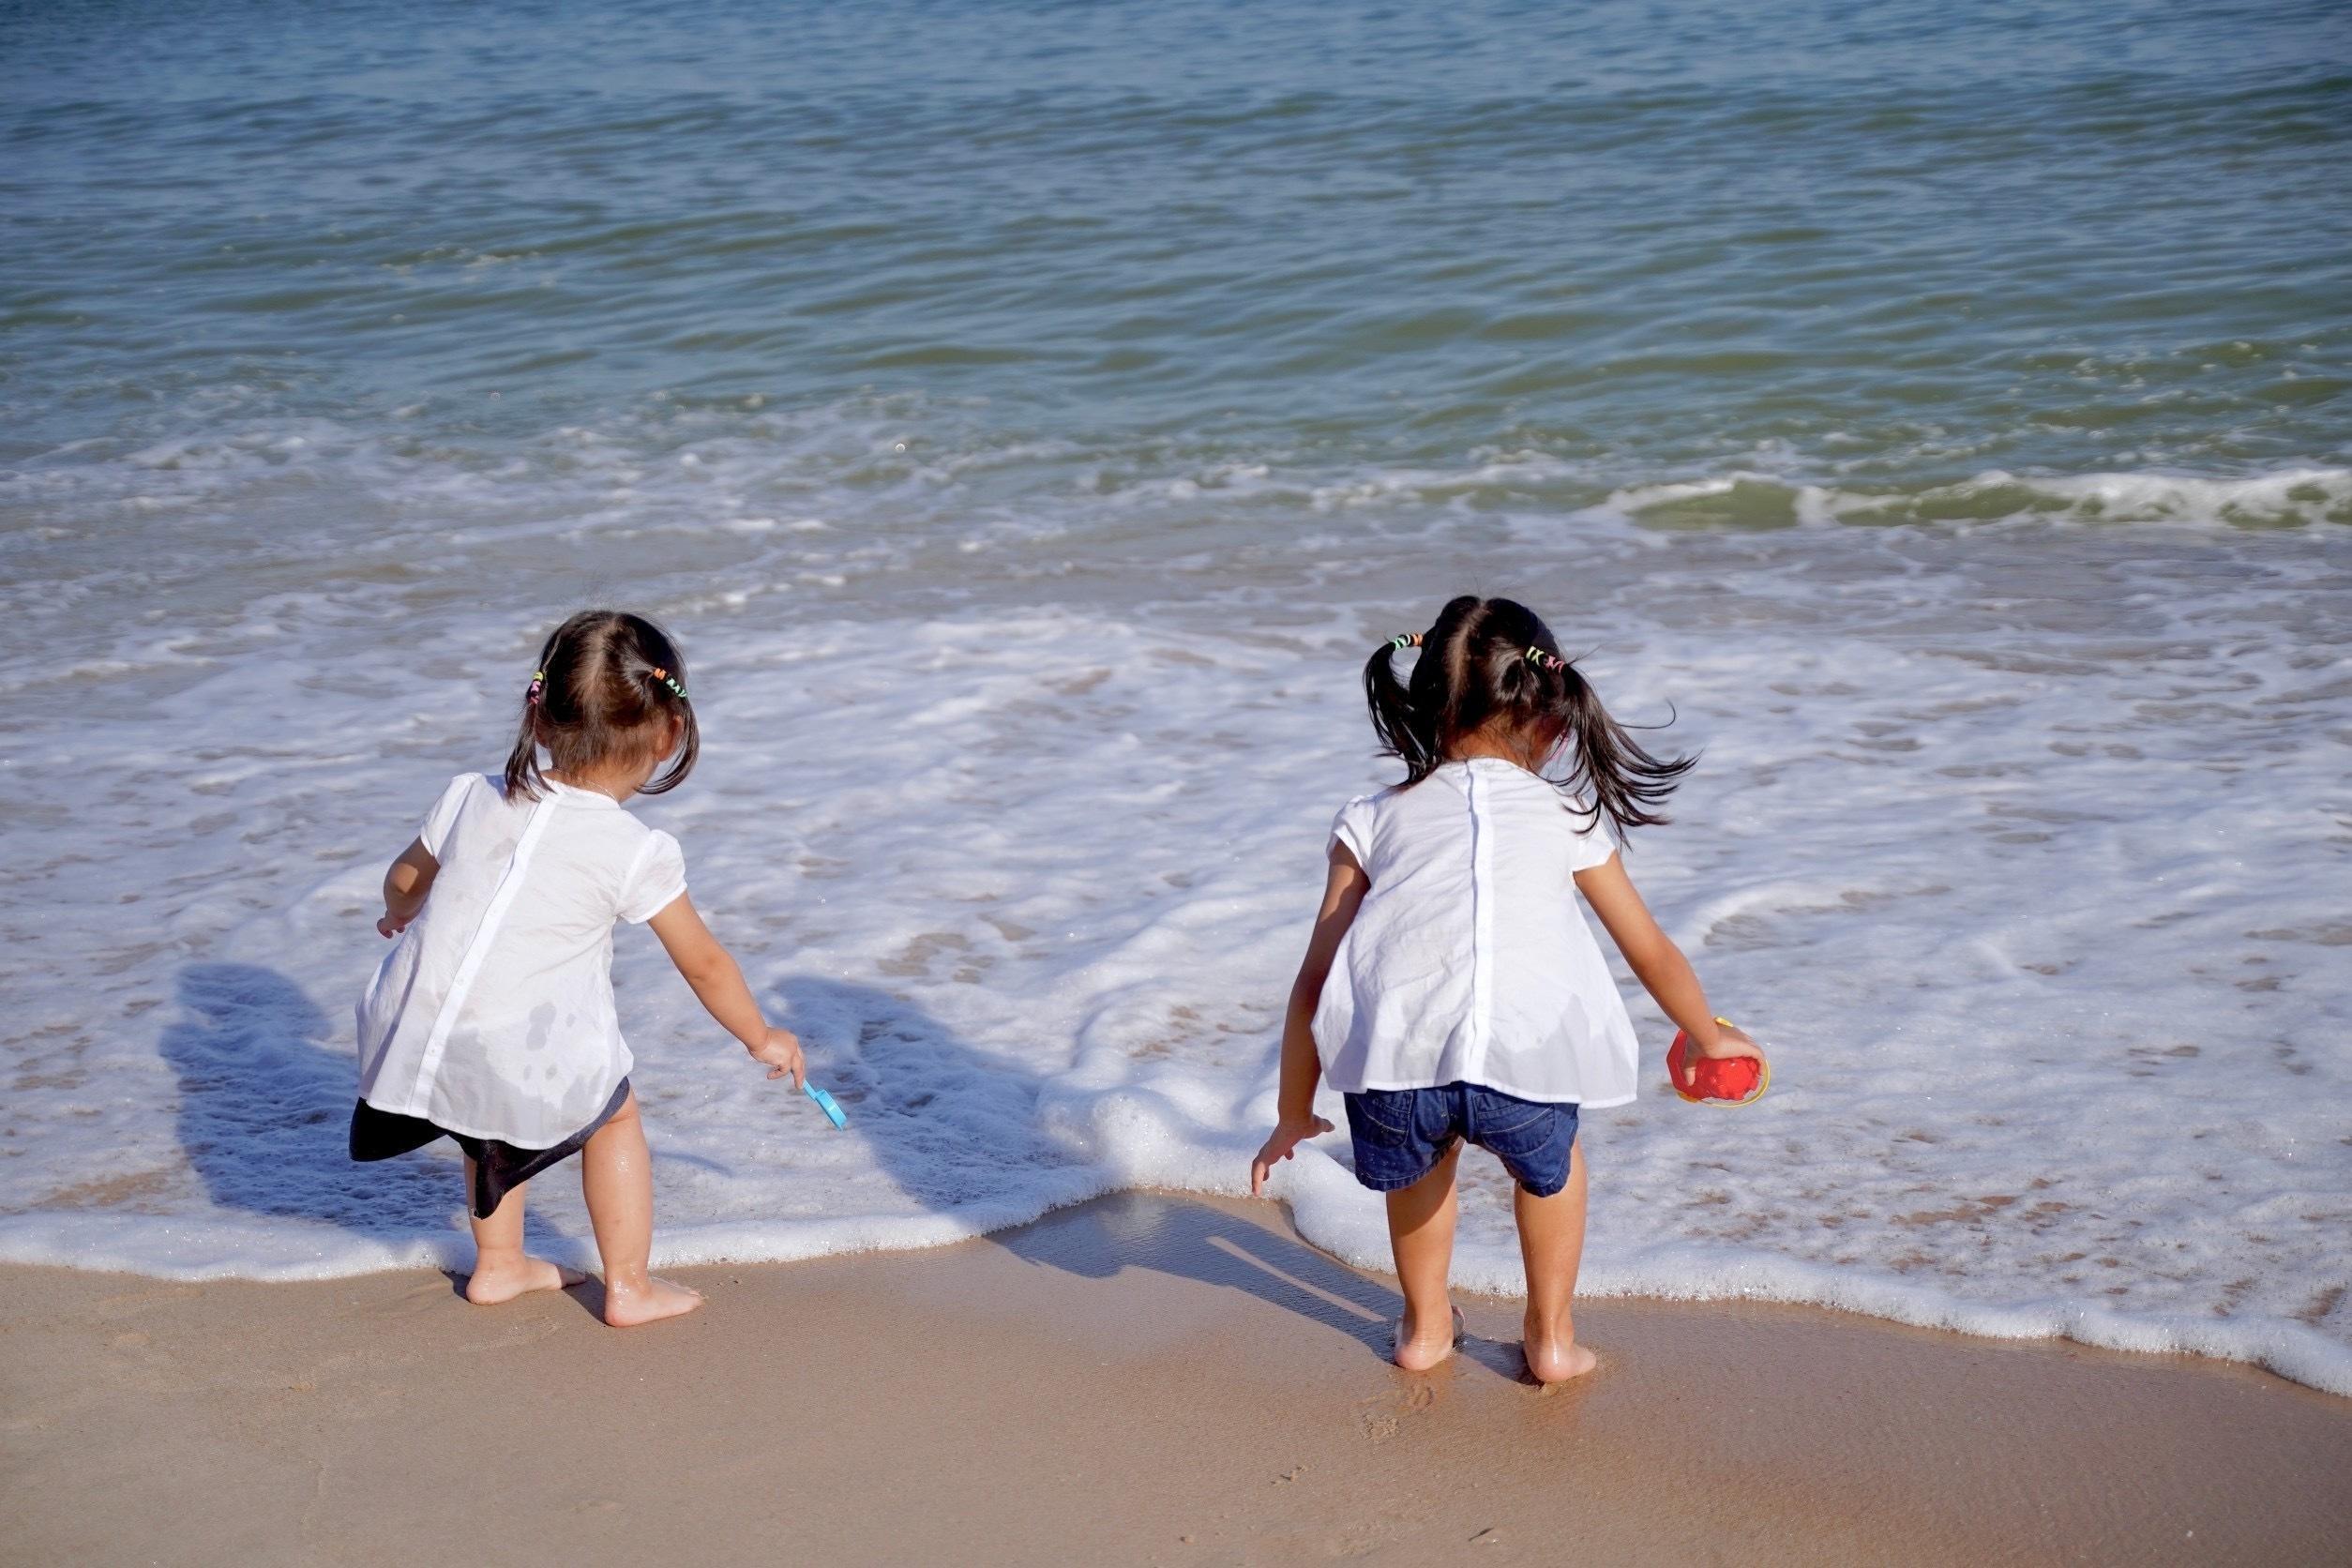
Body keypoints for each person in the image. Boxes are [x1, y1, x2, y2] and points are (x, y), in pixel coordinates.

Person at [1250, 595, 1760, 1381]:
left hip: (1399, 1059)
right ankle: (1551, 1339)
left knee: (1420, 1171)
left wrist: (1293, 1110)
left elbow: (1314, 982)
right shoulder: (1566, 816)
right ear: (1553, 718)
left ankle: (1425, 1331)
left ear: (1421, 708)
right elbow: (1649, 949)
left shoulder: (1371, 818)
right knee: (1551, 1170)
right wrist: (1708, 1033)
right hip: (1527, 1055)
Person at [351, 609, 804, 1326]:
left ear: (538, 718)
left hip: (411, 1018)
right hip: (506, 1040)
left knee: (481, 1112)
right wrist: (761, 1036)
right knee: (613, 1116)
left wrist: (402, 913)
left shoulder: (470, 796)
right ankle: (629, 1287)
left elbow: (404, 878)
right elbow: (706, 965)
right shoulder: (633, 849)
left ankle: (498, 1266)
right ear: (668, 733)